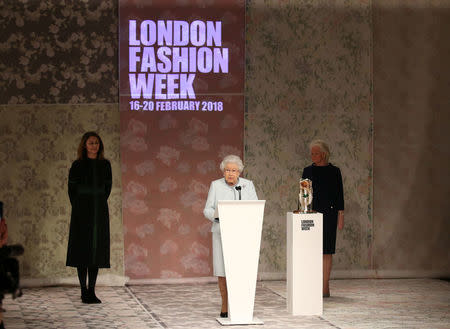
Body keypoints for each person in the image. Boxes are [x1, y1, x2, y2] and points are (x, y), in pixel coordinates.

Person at [203, 155, 258, 318]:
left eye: (234, 170)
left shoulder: (248, 186)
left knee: (241, 270)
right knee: (222, 270)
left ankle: (241, 304)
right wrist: (218, 216)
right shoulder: (216, 185)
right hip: (221, 232)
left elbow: (255, 207)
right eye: (227, 170)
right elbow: (207, 209)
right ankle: (225, 303)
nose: (230, 174)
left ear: (239, 172)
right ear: (223, 171)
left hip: (242, 234)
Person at [66, 132, 112, 304]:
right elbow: (71, 190)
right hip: (81, 211)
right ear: (84, 145)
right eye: (91, 143)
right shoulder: (77, 165)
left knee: (96, 250)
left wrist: (97, 201)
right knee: (82, 250)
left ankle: (91, 290)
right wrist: (80, 205)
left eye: (97, 143)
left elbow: (107, 188)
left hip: (99, 211)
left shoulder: (105, 165)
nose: (94, 146)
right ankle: (83, 290)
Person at [302, 140, 344, 298]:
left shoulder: (335, 171)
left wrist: (341, 216)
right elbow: (303, 194)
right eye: (311, 153)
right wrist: (302, 213)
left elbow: (339, 195)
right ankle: (312, 284)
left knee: (326, 250)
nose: (313, 156)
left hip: (330, 215)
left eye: (316, 153)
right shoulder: (307, 171)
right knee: (311, 250)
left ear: (324, 153)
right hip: (311, 214)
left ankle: (324, 285)